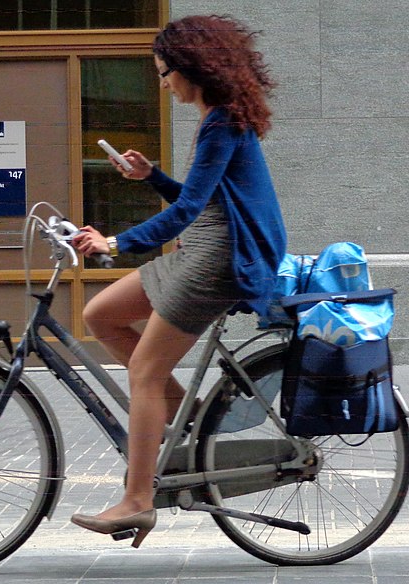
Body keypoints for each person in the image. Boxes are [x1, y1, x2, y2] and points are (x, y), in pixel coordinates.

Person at [71, 14, 287, 547]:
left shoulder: (221, 123)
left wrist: (115, 243)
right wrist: (152, 177)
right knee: (100, 315)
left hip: (219, 258)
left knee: (144, 369)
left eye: (164, 71)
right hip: (204, 247)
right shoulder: (217, 118)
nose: (162, 82)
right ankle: (184, 417)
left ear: (192, 67)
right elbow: (200, 197)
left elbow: (191, 209)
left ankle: (138, 501)